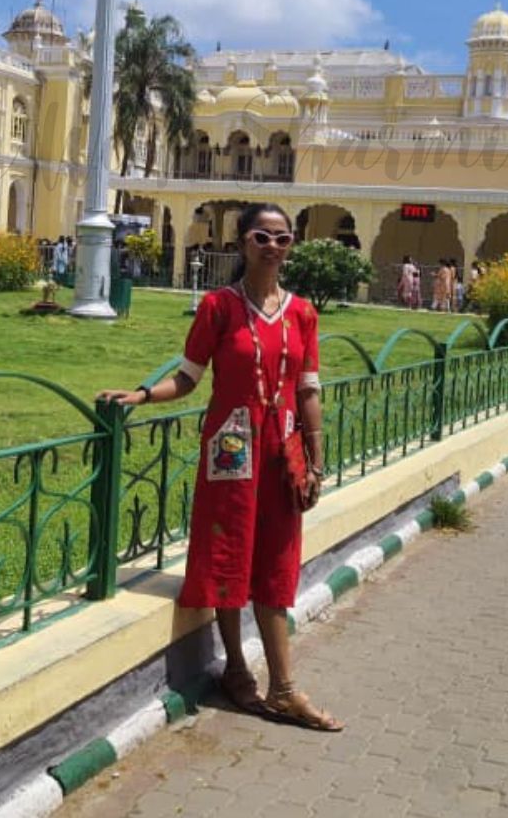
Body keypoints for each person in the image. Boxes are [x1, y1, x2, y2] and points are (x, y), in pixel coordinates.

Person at [98, 203, 342, 733]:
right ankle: (237, 670)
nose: (272, 246)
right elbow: (188, 378)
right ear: (241, 244)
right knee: (232, 552)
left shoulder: (302, 313)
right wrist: (141, 394)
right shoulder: (218, 307)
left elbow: (309, 389)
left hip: (282, 450)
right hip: (231, 448)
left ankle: (281, 687)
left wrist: (317, 457)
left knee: (277, 562)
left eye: (283, 238)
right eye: (262, 237)